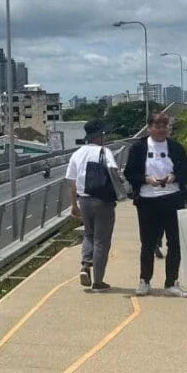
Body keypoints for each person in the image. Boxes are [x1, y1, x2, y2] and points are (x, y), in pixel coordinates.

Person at [122, 113, 187, 298]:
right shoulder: (139, 148)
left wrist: (174, 176)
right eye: (157, 125)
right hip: (148, 199)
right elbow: (130, 173)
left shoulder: (176, 147)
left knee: (175, 242)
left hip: (172, 197)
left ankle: (172, 282)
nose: (162, 129)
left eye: (165, 126)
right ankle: (144, 280)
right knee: (147, 242)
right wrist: (146, 180)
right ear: (149, 127)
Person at [66, 120, 120, 292]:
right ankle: (98, 280)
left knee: (88, 236)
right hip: (102, 201)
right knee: (101, 241)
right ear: (100, 136)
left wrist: (74, 205)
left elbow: (71, 182)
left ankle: (85, 265)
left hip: (84, 200)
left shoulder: (77, 154)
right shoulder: (104, 152)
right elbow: (113, 172)